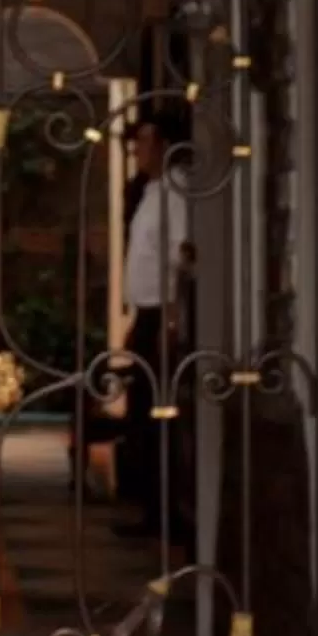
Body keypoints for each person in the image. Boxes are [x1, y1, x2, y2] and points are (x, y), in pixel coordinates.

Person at [113, 115, 195, 535]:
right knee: (142, 414)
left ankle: (165, 514)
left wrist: (172, 318)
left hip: (162, 313)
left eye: (144, 142)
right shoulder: (150, 190)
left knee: (157, 414)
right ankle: (150, 508)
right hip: (146, 313)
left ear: (164, 144)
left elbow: (182, 257)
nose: (137, 151)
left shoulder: (175, 191)